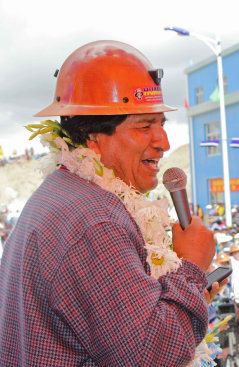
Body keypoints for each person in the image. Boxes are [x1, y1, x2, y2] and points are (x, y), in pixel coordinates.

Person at [0, 41, 219, 366]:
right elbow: (154, 355)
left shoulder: (65, 193)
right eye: (144, 126)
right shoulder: (95, 221)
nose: (164, 143)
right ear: (92, 136)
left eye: (162, 123)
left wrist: (191, 290)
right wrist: (191, 266)